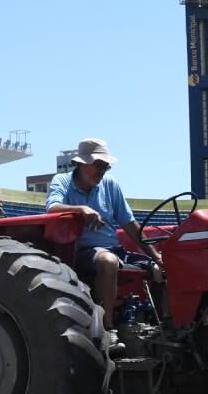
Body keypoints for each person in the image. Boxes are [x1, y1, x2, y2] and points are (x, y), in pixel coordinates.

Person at [45, 138, 165, 349]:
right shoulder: (62, 181)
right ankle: (108, 330)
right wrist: (81, 210)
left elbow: (129, 224)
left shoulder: (110, 185)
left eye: (105, 166)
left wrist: (156, 256)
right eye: (98, 165)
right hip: (81, 252)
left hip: (114, 249)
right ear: (81, 163)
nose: (102, 171)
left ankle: (165, 327)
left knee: (161, 269)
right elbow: (52, 207)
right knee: (108, 261)